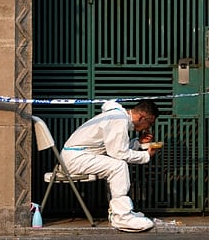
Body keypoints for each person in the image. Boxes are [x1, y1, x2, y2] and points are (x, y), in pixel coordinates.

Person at [60, 99, 161, 232]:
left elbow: (113, 148)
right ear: (142, 117)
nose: (148, 128)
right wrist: (146, 155)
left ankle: (118, 212)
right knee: (118, 166)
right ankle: (122, 217)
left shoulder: (117, 117)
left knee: (117, 164)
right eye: (150, 123)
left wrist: (137, 143)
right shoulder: (118, 120)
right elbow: (119, 153)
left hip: (77, 156)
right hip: (75, 159)